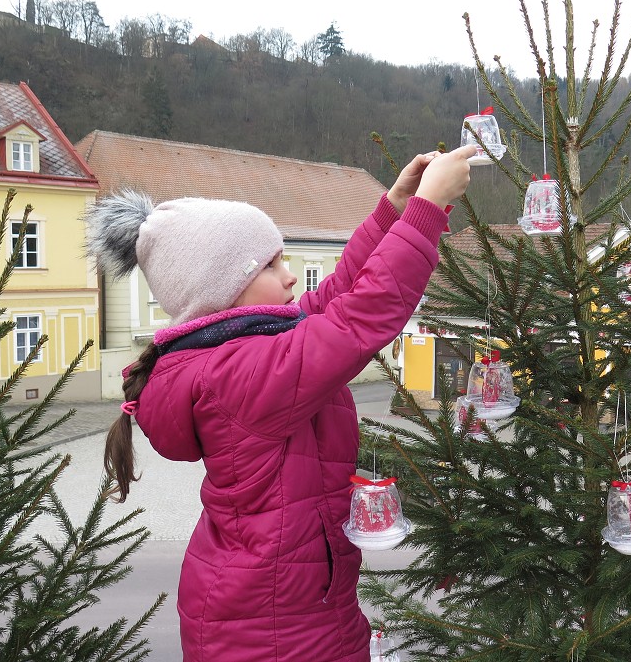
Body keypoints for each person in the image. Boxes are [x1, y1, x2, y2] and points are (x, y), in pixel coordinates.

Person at [83, 143, 477, 662]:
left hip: (295, 609)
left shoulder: (253, 344)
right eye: (270, 265)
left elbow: (337, 293)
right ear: (223, 292)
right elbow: (357, 320)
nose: (290, 276)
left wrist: (395, 208)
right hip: (268, 632)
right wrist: (425, 213)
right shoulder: (238, 375)